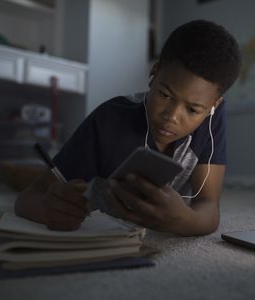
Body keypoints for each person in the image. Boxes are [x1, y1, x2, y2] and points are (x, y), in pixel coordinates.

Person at [15, 19, 242, 236]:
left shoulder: (211, 118)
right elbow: (27, 199)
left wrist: (185, 221)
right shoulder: (109, 120)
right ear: (154, 73)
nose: (171, 117)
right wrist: (48, 208)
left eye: (192, 110)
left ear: (214, 105)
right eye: (164, 95)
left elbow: (208, 205)